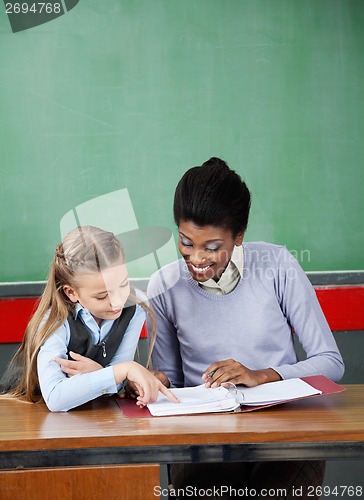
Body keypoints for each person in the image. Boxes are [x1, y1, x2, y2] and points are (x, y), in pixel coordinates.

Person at [147, 158, 344, 500]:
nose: (196, 258)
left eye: (212, 247)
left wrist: (261, 375)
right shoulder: (163, 287)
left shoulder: (278, 265)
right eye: (185, 242)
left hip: (288, 430)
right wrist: (147, 380)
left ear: (239, 236)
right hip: (204, 436)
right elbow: (172, 385)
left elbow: (331, 362)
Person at [0, 225, 177, 412]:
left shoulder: (134, 310)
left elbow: (117, 385)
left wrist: (109, 373)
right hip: (23, 411)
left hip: (86, 414)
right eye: (102, 296)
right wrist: (119, 371)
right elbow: (55, 398)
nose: (117, 300)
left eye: (123, 284)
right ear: (72, 293)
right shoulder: (54, 321)